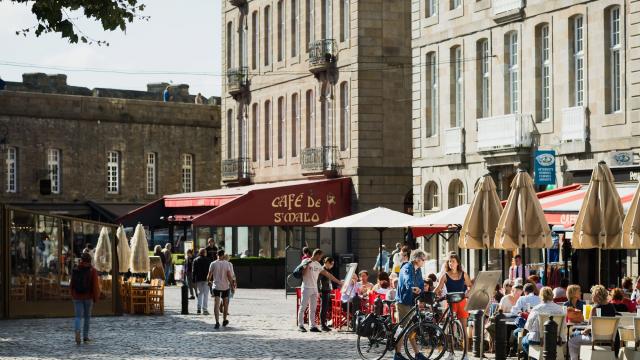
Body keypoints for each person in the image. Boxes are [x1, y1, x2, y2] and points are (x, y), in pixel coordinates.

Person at [394, 249, 429, 360]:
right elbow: (407, 280)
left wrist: (424, 291)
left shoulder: (417, 270)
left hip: (411, 302)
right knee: (403, 328)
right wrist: (412, 287)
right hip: (403, 301)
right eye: (423, 260)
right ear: (417, 259)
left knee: (410, 329)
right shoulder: (407, 268)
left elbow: (420, 283)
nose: (424, 262)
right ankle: (398, 354)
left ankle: (416, 354)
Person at [568, 285, 617, 360]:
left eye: (593, 295)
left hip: (594, 339)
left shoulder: (595, 308)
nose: (591, 297)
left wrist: (581, 331)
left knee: (572, 341)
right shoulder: (612, 307)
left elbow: (589, 327)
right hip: (608, 340)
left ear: (597, 296)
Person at [298, 249, 342, 332]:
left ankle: (312, 326)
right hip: (306, 287)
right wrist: (306, 265)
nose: (321, 258)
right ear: (317, 254)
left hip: (315, 289)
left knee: (313, 308)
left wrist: (339, 282)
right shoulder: (306, 261)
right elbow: (302, 273)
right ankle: (300, 325)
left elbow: (328, 275)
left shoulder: (318, 264)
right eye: (321, 256)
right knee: (303, 307)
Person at [521, 287, 565, 356]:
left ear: (541, 296)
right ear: (552, 296)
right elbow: (564, 327)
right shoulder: (560, 309)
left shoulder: (537, 308)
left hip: (538, 340)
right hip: (556, 340)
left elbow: (528, 326)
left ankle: (535, 356)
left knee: (524, 341)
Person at [434, 253, 473, 326]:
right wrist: (431, 295)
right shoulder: (445, 275)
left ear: (457, 263)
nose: (451, 263)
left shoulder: (463, 274)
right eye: (449, 261)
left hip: (462, 302)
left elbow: (470, 285)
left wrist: (468, 293)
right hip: (451, 303)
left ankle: (463, 337)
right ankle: (452, 337)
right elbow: (438, 287)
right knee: (452, 327)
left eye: (453, 261)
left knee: (464, 328)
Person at [70, 253, 100, 344]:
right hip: (88, 297)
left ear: (81, 260)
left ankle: (77, 331)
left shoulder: (76, 269)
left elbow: (71, 284)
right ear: (90, 261)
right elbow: (95, 286)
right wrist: (96, 298)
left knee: (78, 316)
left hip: (77, 297)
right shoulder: (92, 270)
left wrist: (73, 295)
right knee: (87, 317)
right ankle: (85, 337)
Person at [208, 249, 236, 329]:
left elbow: (209, 275)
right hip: (225, 286)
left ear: (217, 254)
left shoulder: (213, 263)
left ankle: (217, 322)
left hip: (216, 286)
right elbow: (229, 276)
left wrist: (208, 281)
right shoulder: (227, 264)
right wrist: (232, 285)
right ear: (223, 255)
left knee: (216, 304)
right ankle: (224, 320)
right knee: (225, 304)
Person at [319, 257, 341, 331]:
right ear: (327, 262)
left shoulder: (329, 270)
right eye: (331, 264)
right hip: (323, 290)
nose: (332, 265)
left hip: (327, 290)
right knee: (324, 308)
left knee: (326, 308)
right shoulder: (322, 270)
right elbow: (319, 281)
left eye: (333, 264)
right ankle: (322, 325)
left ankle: (324, 323)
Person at [192, 248, 212, 315]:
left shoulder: (195, 260)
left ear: (199, 253)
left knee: (200, 293)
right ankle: (205, 309)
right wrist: (210, 279)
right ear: (205, 253)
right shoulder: (208, 260)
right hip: (206, 279)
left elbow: (194, 271)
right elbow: (210, 271)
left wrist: (193, 280)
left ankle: (198, 309)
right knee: (206, 294)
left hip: (199, 279)